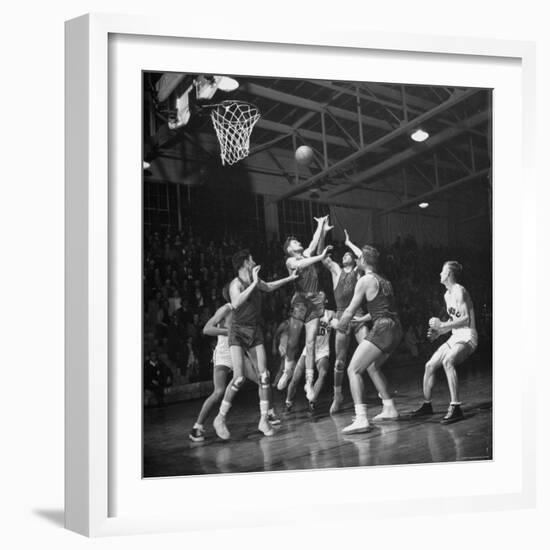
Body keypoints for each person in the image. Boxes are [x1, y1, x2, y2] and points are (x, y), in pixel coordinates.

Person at [212, 250, 298, 440]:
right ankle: (220, 418)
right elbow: (236, 302)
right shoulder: (236, 283)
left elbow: (268, 287)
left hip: (254, 330)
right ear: (244, 263)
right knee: (239, 378)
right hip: (238, 331)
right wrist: (253, 283)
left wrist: (289, 279)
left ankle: (263, 419)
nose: (254, 261)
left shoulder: (254, 280)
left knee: (264, 376)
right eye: (251, 259)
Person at [189, 286, 280, 442]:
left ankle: (268, 414)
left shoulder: (245, 311)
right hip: (224, 354)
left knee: (262, 380)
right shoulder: (226, 309)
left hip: (238, 352)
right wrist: (228, 332)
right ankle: (197, 427)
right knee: (219, 392)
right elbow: (207, 329)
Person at [336, 245, 403, 434]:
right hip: (396, 328)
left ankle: (361, 418)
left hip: (383, 328)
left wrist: (339, 324)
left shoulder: (365, 280)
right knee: (373, 367)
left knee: (353, 369)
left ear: (363, 261)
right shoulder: (384, 281)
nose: (357, 261)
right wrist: (364, 319)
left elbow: (349, 309)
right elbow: (383, 308)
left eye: (359, 259)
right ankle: (389, 407)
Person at [409, 261, 477, 424]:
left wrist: (442, 325)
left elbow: (466, 320)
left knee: (448, 361)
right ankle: (427, 405)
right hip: (455, 336)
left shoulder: (460, 290)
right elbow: (453, 322)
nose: (440, 274)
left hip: (468, 336)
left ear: (448, 274)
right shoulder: (447, 295)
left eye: (442, 271)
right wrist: (438, 333)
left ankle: (456, 407)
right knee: (429, 365)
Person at [276, 216, 333, 401]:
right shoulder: (290, 261)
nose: (298, 242)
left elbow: (315, 240)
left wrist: (320, 224)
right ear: (289, 249)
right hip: (301, 300)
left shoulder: (307, 253)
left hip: (315, 300)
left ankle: (309, 382)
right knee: (293, 343)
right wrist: (320, 256)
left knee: (311, 343)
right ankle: (287, 370)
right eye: (294, 242)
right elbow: (301, 264)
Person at [318, 224, 371, 413]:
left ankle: (379, 391)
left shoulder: (358, 271)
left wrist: (349, 242)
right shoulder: (336, 271)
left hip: (357, 316)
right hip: (341, 316)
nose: (347, 255)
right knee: (340, 361)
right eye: (345, 254)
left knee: (369, 357)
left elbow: (364, 257)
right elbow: (321, 256)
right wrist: (322, 234)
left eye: (350, 254)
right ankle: (337, 395)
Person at [285, 304, 334, 412]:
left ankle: (312, 401)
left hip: (323, 351)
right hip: (308, 350)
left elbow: (340, 319)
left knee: (323, 374)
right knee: (295, 379)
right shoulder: (308, 313)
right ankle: (288, 402)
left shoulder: (329, 313)